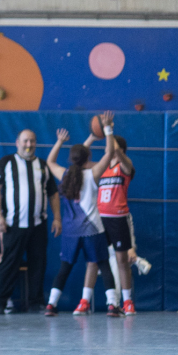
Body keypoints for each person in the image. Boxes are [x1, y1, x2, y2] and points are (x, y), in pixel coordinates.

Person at [43, 121, 122, 317]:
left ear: (71, 159)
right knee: (103, 264)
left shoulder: (65, 174)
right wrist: (108, 130)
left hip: (71, 230)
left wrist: (59, 142)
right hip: (92, 229)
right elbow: (110, 154)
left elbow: (50, 162)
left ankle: (51, 304)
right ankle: (112, 305)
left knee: (64, 268)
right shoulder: (93, 174)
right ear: (89, 157)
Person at [0, 129, 61, 314]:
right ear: (17, 143)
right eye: (25, 141)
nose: (29, 145)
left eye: (32, 141)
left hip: (38, 224)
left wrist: (57, 218)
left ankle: (36, 302)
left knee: (38, 263)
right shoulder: (6, 163)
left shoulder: (43, 165)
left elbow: (53, 193)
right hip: (13, 224)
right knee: (9, 263)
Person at [80, 132, 138, 314]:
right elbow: (80, 160)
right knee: (93, 261)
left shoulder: (126, 166)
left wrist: (109, 133)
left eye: (110, 146)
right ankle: (84, 301)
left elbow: (122, 158)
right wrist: (91, 138)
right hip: (99, 219)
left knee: (122, 261)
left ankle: (127, 302)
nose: (107, 148)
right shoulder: (101, 167)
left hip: (118, 219)